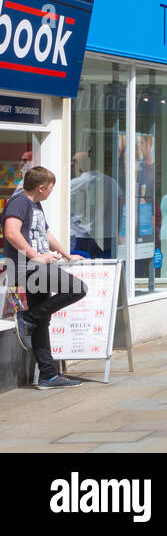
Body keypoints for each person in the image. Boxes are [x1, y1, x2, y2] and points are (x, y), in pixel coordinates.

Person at [3, 167, 88, 389]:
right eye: (51, 188)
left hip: (37, 266)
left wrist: (67, 255)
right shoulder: (19, 202)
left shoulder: (35, 204)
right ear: (42, 187)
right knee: (77, 288)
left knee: (43, 322)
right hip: (29, 268)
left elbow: (45, 233)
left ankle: (48, 375)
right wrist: (36, 256)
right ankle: (29, 318)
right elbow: (11, 233)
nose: (51, 192)